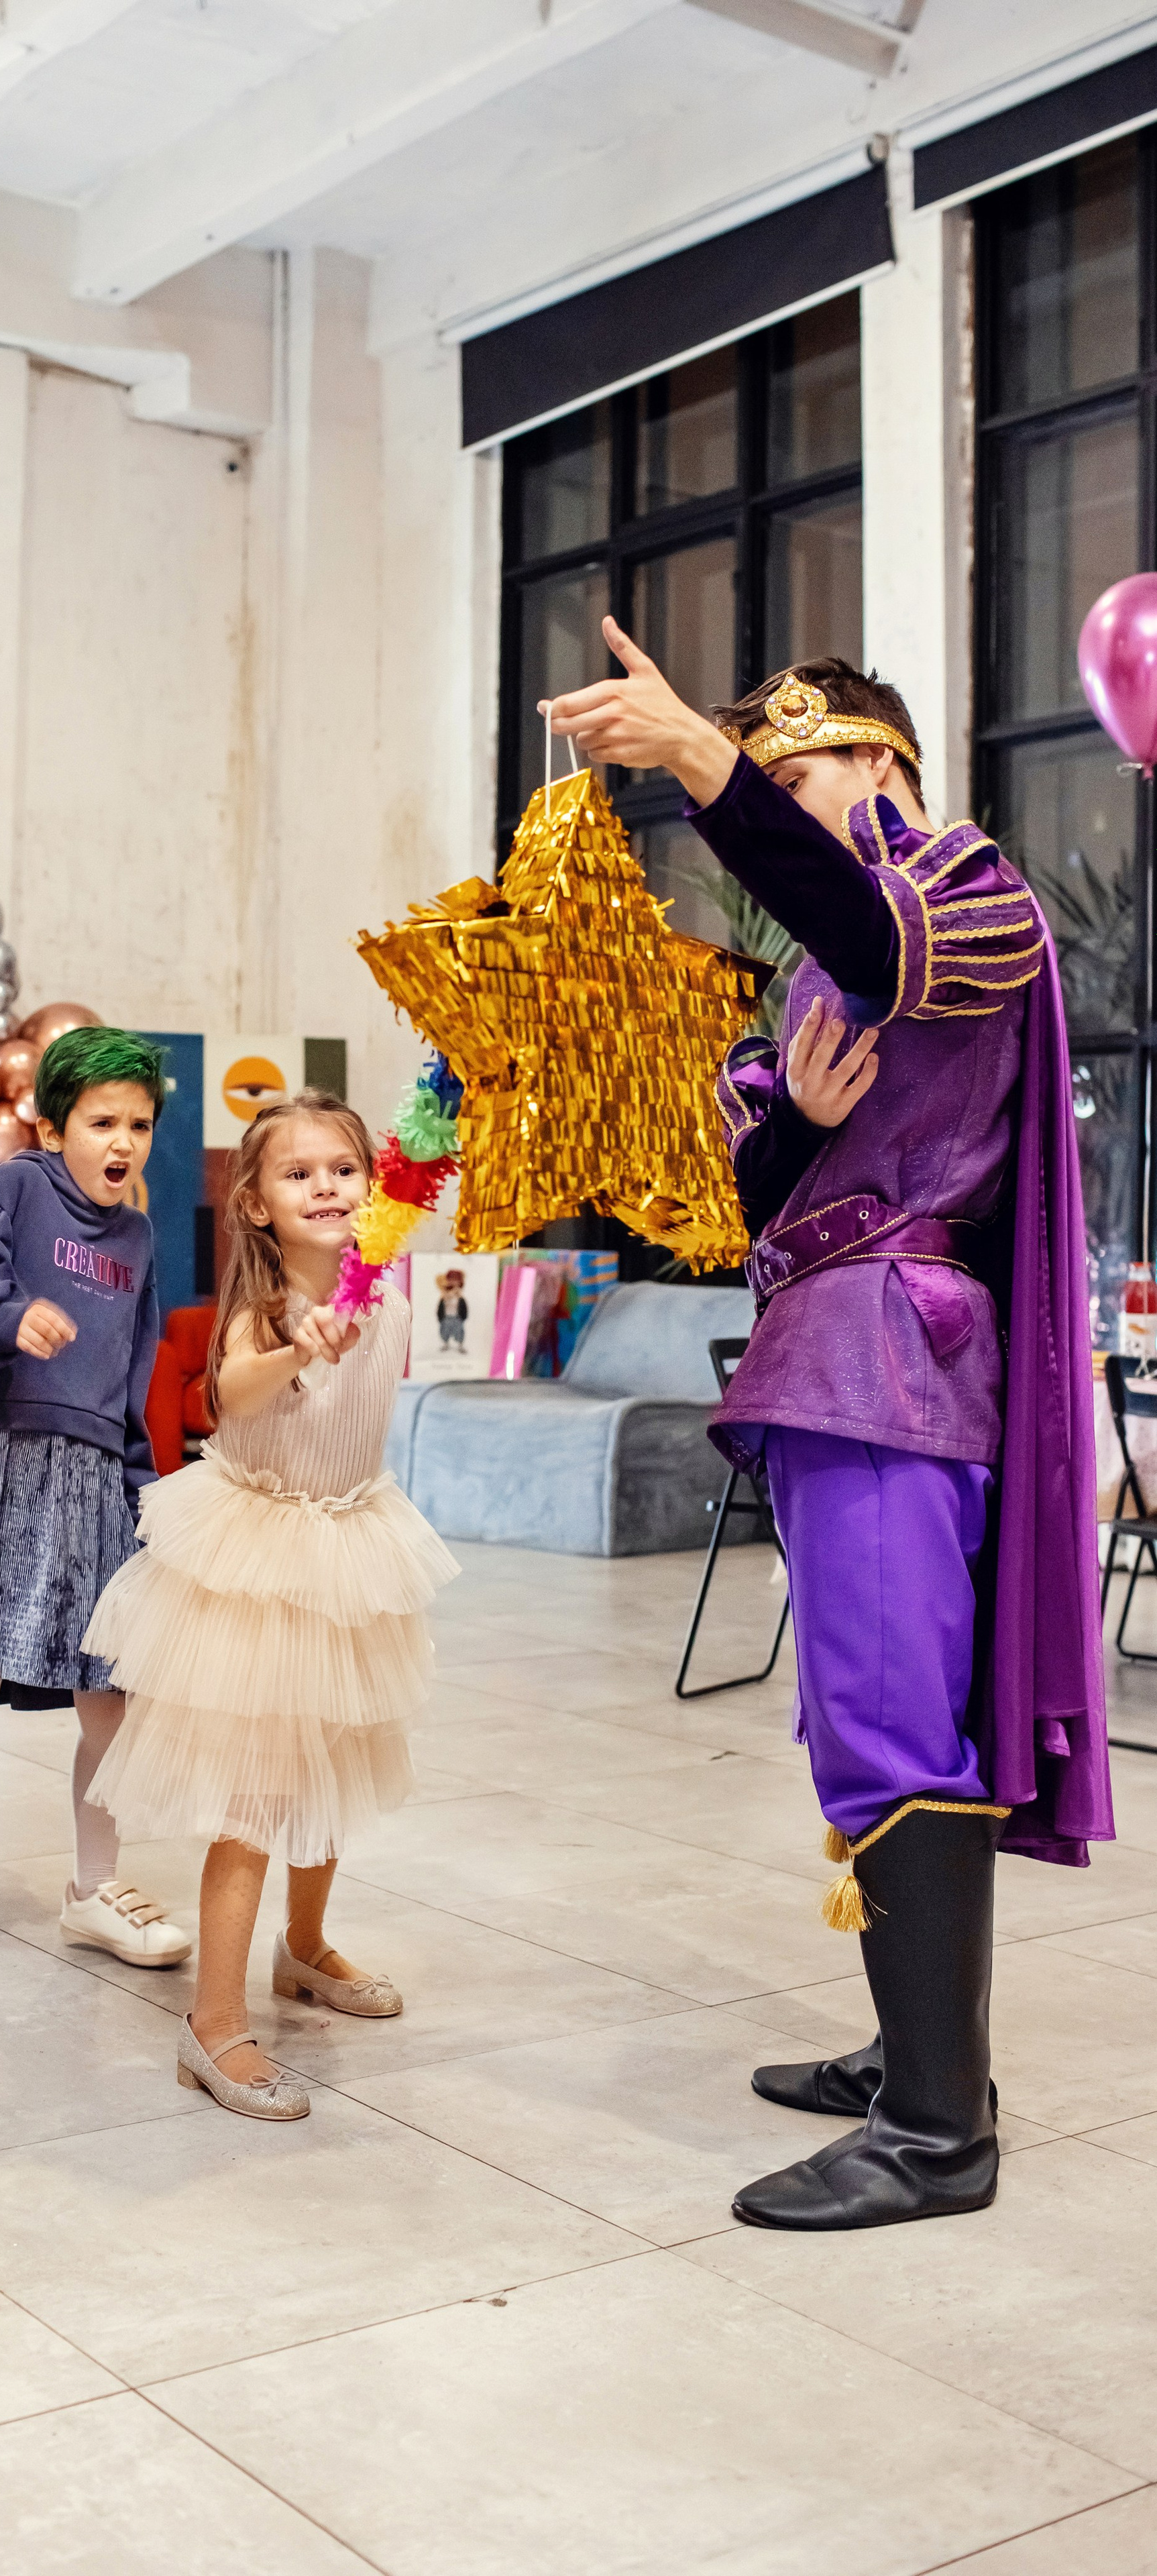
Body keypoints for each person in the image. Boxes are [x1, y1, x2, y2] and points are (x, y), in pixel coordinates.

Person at [542, 624, 1111, 2231]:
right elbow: (760, 1189)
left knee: (884, 1723)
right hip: (832, 1341)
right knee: (862, 1711)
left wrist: (701, 764)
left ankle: (936, 2130)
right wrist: (795, 1113)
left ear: (889, 763)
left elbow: (862, 922)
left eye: (806, 768)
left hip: (888, 1344)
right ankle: (911, 2055)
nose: (785, 796)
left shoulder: (961, 885)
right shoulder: (833, 948)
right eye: (768, 773)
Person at [84, 1091, 459, 2118]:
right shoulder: (265, 1308)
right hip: (260, 1550)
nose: (325, 1186)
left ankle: (303, 1948)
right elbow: (231, 1394)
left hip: (351, 1538)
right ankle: (212, 2022)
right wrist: (302, 1347)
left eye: (343, 1168)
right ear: (255, 1204)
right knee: (252, 1801)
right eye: (298, 1174)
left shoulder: (388, 1288)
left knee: (330, 1761)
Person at [0, 1026, 190, 2006]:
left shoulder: (141, 1236)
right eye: (102, 1121)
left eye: (140, 1124)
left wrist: (138, 1484)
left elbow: (135, 1367)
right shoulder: (17, 1189)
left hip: (89, 1470)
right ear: (54, 1121)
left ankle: (95, 1886)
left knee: (110, 1692)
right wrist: (6, 1318)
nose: (122, 1142)